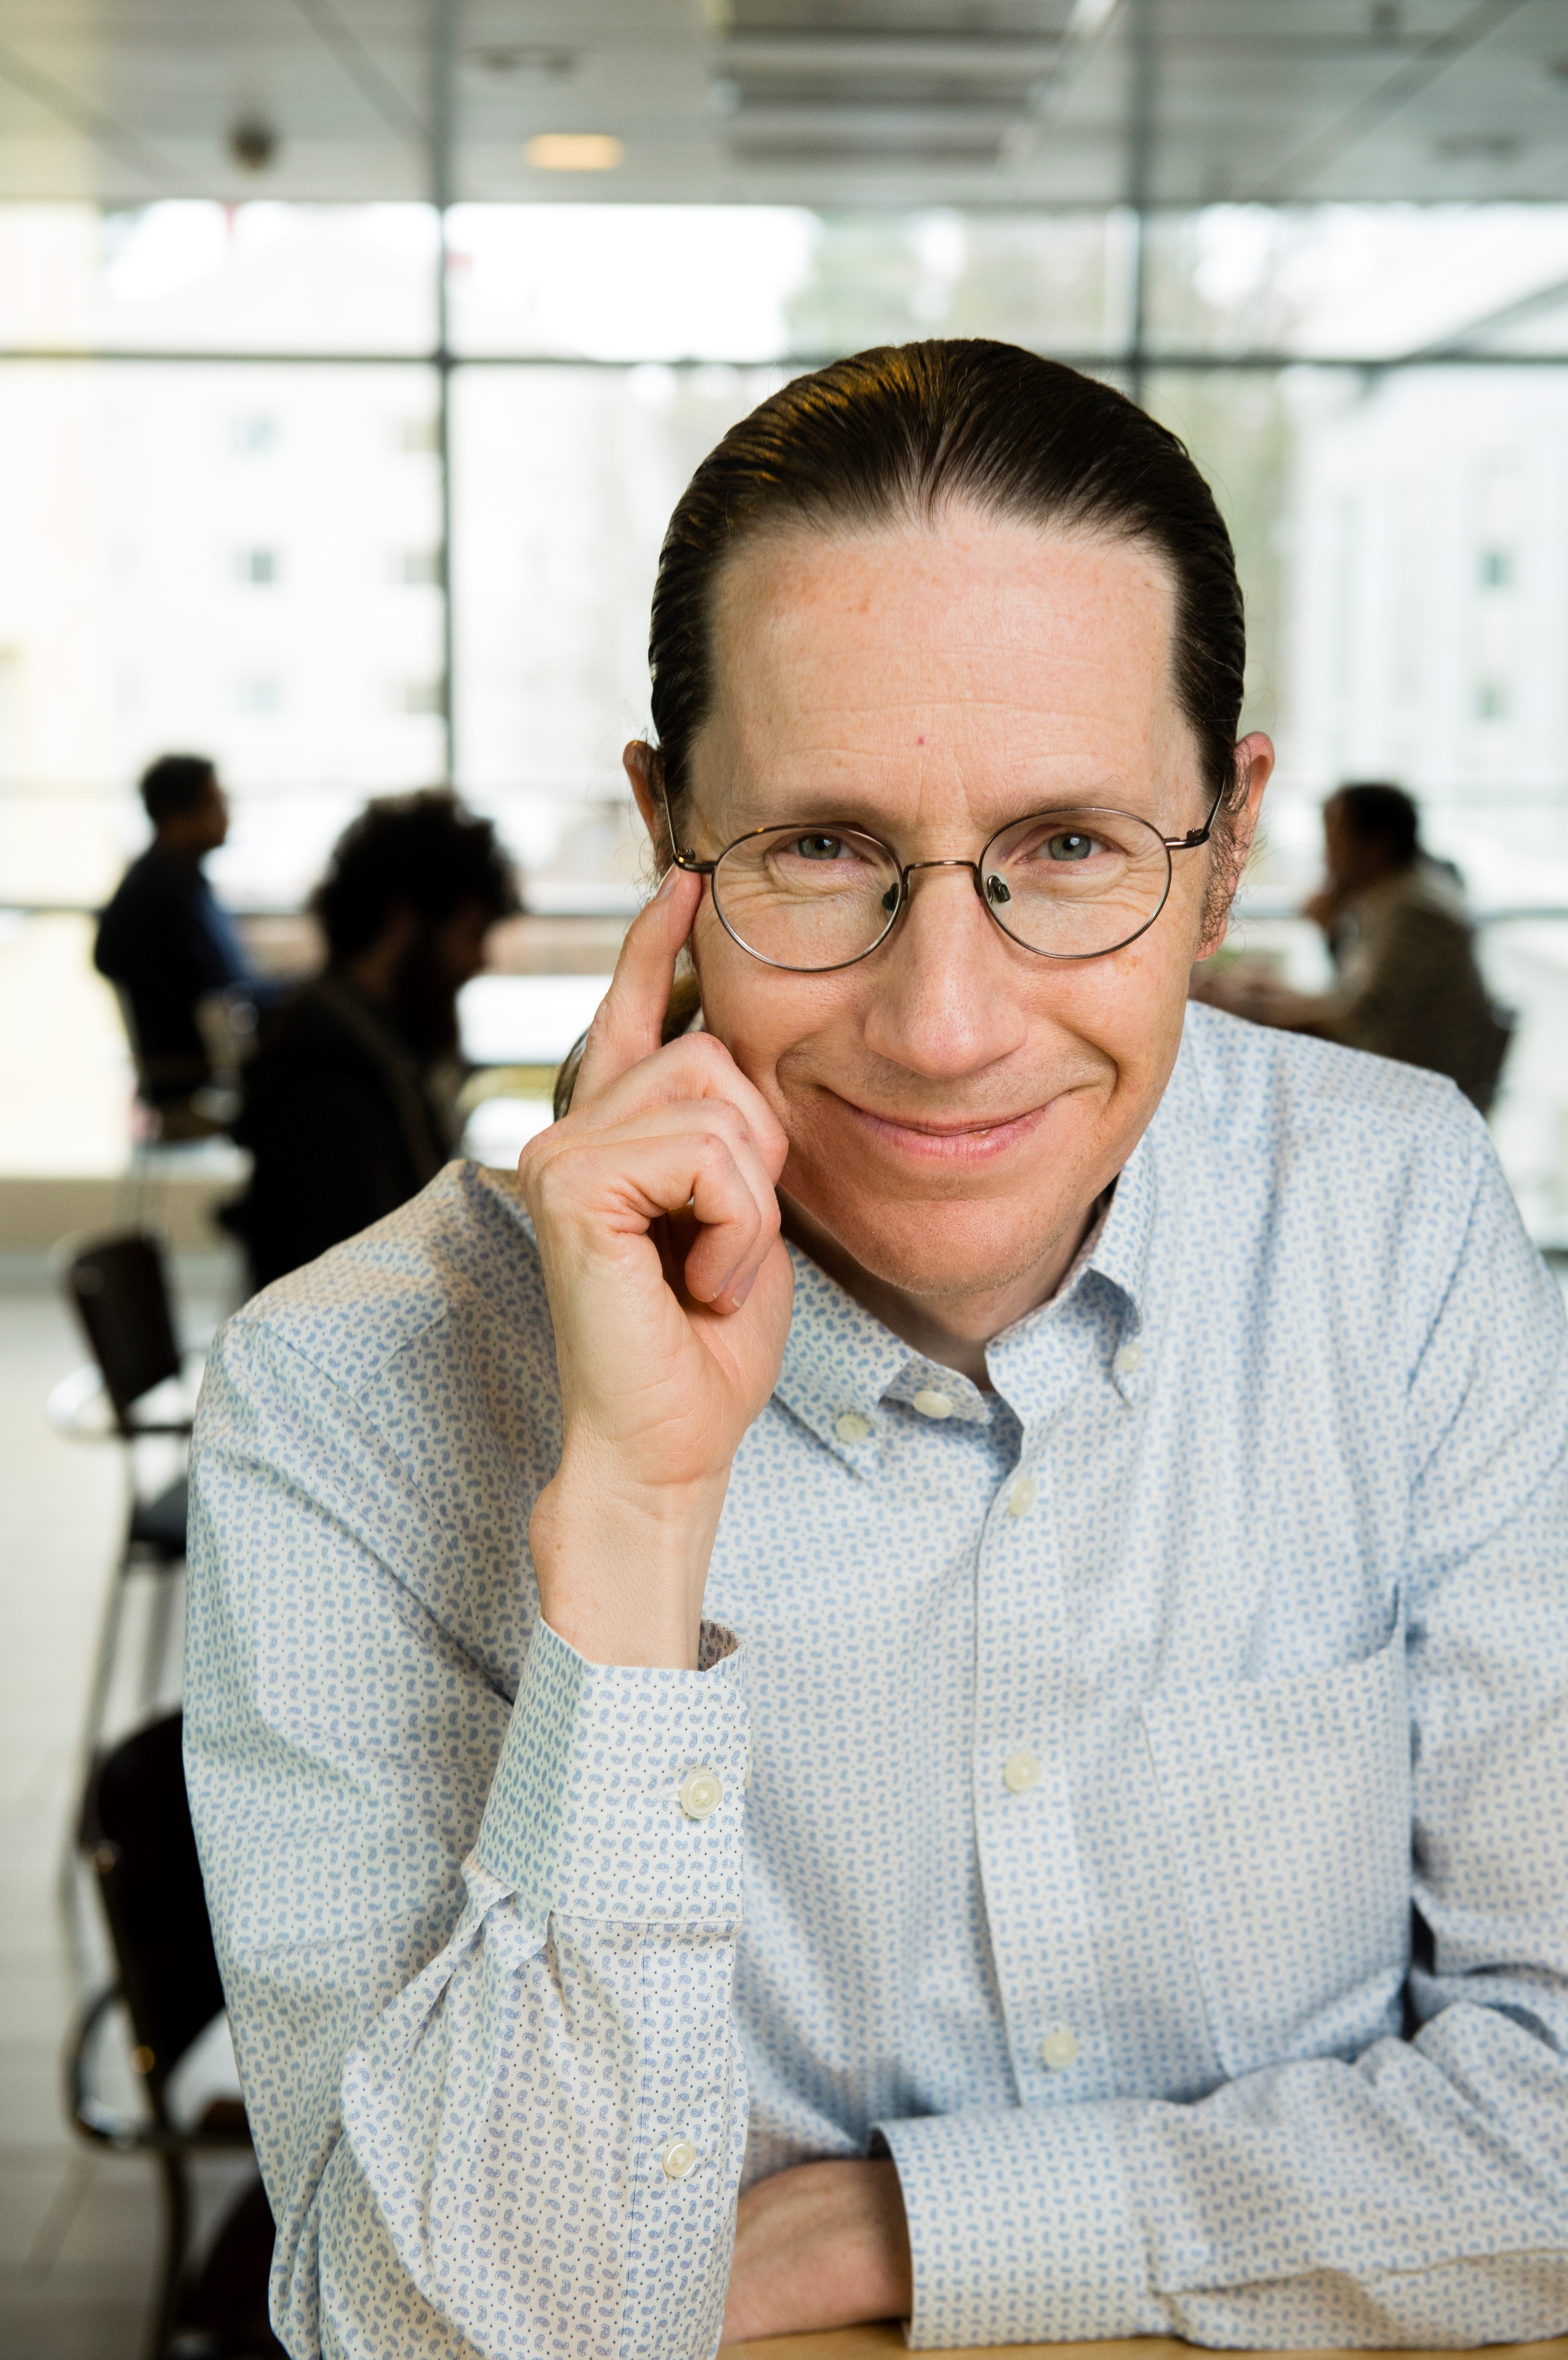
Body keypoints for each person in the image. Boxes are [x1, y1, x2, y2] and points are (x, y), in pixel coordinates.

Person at [184, 345, 1568, 2359]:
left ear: (1227, 845)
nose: (944, 1025)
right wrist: (636, 1520)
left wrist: (892, 2228)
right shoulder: (349, 1397)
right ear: (669, 835)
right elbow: (430, 2332)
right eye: (822, 845)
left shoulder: (1397, 1214)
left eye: (1071, 844)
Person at [229, 788, 517, 1291]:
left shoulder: (358, 1036)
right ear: (402, 921)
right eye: (472, 934)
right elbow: (360, 1286)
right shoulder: (327, 1079)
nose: (481, 960)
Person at [1197, 781, 1511, 1110]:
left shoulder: (1414, 914)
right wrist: (1261, 991)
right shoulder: (1402, 894)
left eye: (1335, 841)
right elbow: (1354, 1001)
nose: (1326, 857)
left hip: (1415, 1098)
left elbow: (1351, 1022)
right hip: (1406, 1079)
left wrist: (1245, 1008)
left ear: (1377, 845)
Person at [94, 752, 264, 1132]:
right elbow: (214, 992)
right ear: (176, 816)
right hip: (194, 1079)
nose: (227, 815)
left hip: (212, 1064)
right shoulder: (154, 896)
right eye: (215, 804)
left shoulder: (182, 883)